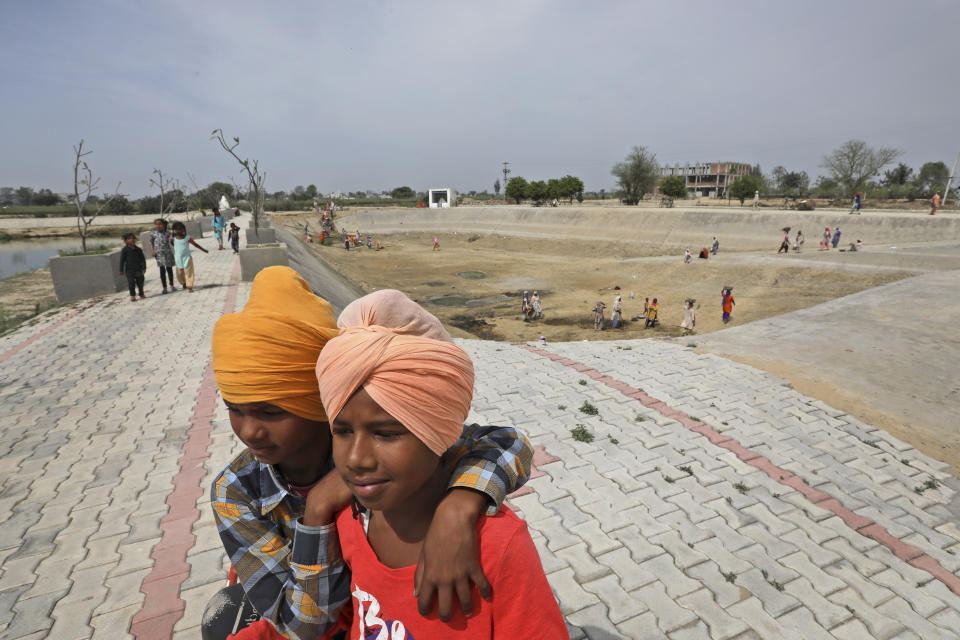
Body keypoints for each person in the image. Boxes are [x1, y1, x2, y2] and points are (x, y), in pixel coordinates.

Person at [206, 270, 533, 640]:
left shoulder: (379, 456)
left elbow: (506, 442)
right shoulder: (237, 491)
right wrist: (317, 515)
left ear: (321, 401)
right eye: (235, 409)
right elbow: (300, 626)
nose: (249, 431)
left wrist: (459, 506)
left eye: (271, 412)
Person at [314, 290, 567, 639]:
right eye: (341, 431)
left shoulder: (497, 547)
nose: (356, 459)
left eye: (386, 434)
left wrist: (459, 507)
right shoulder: (350, 518)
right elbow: (339, 619)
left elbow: (510, 441)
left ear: (442, 434)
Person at [171, 220, 208, 292]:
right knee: (180, 274)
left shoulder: (187, 238)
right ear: (174, 230)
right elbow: (172, 244)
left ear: (184, 229)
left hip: (187, 258)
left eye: (181, 229)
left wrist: (203, 249)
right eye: (177, 229)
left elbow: (195, 244)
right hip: (178, 259)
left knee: (189, 272)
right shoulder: (173, 239)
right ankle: (183, 282)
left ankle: (189, 286)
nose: (179, 231)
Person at [149, 218, 176, 293]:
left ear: (164, 225)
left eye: (160, 224)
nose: (158, 226)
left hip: (168, 253)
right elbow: (151, 243)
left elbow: (173, 241)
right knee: (162, 270)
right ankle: (164, 287)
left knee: (169, 269)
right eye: (156, 224)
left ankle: (172, 285)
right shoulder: (153, 234)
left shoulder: (168, 233)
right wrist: (152, 251)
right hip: (159, 254)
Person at [119, 233, 147, 302]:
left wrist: (143, 268)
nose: (132, 240)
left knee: (140, 282)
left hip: (139, 269)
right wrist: (121, 270)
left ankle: (141, 293)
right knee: (131, 283)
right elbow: (122, 260)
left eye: (133, 238)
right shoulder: (125, 250)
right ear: (126, 241)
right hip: (129, 270)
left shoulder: (138, 249)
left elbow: (142, 259)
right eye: (129, 239)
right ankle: (132, 295)